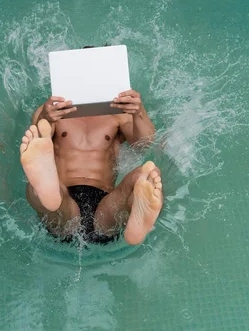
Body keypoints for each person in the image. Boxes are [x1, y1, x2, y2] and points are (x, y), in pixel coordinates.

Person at [20, 87, 163, 246]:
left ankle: (137, 216)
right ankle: (49, 196)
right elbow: (37, 141)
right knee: (38, 188)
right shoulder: (52, 110)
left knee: (147, 175)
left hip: (106, 206)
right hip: (64, 200)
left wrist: (138, 112)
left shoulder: (119, 111)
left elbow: (144, 144)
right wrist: (46, 117)